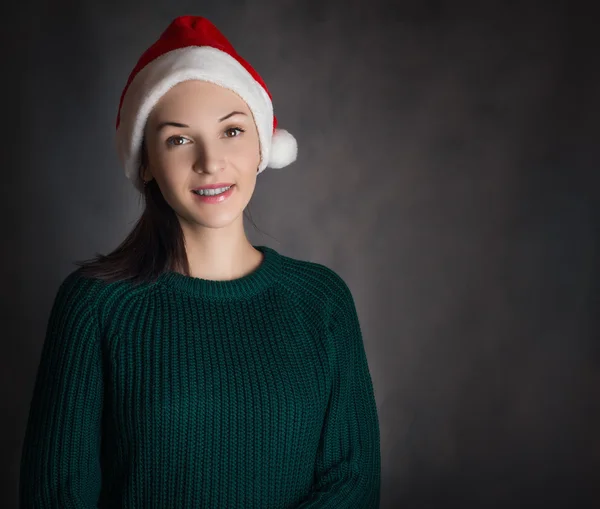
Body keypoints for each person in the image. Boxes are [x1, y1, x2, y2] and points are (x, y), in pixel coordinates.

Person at [18, 15, 381, 508]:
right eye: (179, 139)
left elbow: (352, 483)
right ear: (146, 162)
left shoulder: (321, 301)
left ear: (261, 145)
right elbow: (58, 496)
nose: (211, 161)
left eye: (231, 131)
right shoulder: (95, 306)